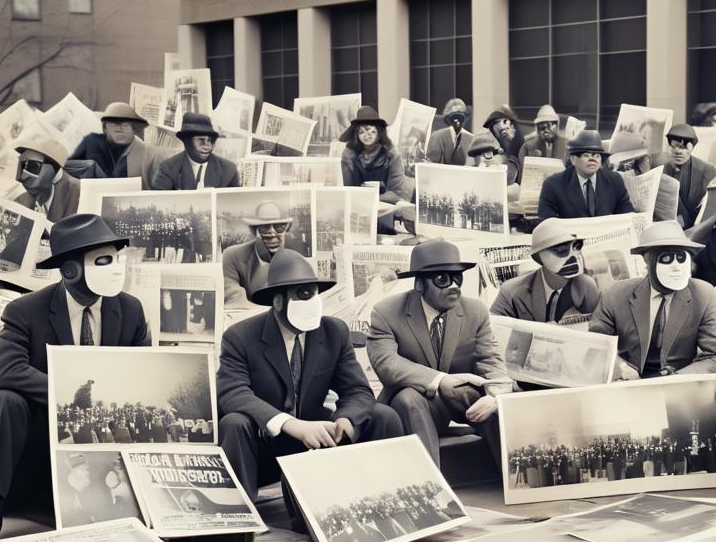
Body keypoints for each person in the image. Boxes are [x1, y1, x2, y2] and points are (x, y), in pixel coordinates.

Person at [0, 214, 150, 542]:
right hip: (38, 431)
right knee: (4, 399)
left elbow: (140, 370)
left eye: (116, 258)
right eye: (103, 260)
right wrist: (70, 397)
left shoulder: (131, 310)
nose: (114, 268)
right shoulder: (26, 310)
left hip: (102, 433)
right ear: (70, 270)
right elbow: (7, 371)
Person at [217, 250, 402, 503]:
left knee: (384, 415)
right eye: (302, 294)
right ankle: (240, 513)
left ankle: (386, 498)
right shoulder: (240, 337)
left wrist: (345, 420)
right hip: (266, 443)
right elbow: (232, 393)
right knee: (234, 422)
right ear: (278, 301)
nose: (312, 301)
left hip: (318, 437)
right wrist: (291, 425)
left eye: (314, 292)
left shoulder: (333, 331)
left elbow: (358, 390)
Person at [367, 240, 511, 469]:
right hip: (416, 407)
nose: (454, 285)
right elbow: (386, 363)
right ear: (420, 285)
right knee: (408, 397)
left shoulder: (475, 311)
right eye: (442, 279)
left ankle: (518, 477)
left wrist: (495, 396)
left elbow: (490, 359)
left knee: (492, 399)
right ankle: (430, 487)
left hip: (462, 400)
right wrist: (441, 380)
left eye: (458, 277)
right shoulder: (386, 312)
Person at [589, 220, 716, 379]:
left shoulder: (703, 294)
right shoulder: (616, 294)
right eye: (666, 258)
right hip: (626, 384)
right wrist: (621, 368)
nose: (676, 266)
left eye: (681, 258)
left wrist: (675, 377)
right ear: (647, 259)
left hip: (677, 387)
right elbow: (595, 347)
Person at [490, 219, 600, 322]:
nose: (573, 256)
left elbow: (600, 328)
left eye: (577, 247)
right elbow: (494, 329)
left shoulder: (587, 286)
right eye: (562, 250)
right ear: (539, 257)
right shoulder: (511, 291)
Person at [339, 106, 413, 233]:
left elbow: (398, 193)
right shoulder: (349, 154)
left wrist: (372, 197)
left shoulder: (392, 154)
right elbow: (347, 189)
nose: (365, 135)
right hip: (357, 211)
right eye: (360, 132)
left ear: (378, 130)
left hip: (388, 213)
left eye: (368, 129)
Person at [537, 130, 634, 219]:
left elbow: (627, 217)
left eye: (597, 155)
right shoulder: (553, 185)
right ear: (573, 160)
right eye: (586, 155)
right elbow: (546, 223)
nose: (593, 159)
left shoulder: (615, 181)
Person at [70, 101, 164, 185]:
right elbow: (67, 167)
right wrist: (89, 167)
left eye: (124, 125)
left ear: (133, 129)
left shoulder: (144, 153)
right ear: (105, 129)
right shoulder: (91, 141)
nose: (118, 130)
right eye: (112, 125)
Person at [222, 200, 294, 309]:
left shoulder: (296, 259)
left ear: (285, 230)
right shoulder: (232, 256)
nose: (272, 234)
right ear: (254, 231)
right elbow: (235, 302)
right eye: (265, 228)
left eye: (279, 227)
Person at [650, 124, 716, 228]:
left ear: (692, 147)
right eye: (674, 146)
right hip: (664, 227)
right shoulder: (657, 167)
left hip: (697, 229)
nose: (678, 151)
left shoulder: (707, 171)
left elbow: (712, 208)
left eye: (684, 147)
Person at [149, 112, 239, 189]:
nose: (207, 146)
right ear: (187, 141)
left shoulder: (229, 170)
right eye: (201, 140)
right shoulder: (167, 169)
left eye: (210, 140)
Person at [12, 133, 80, 223]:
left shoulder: (78, 194)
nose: (22, 177)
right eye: (22, 166)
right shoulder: (23, 200)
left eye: (32, 167)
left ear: (55, 170)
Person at [425, 98, 472, 166]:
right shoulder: (437, 136)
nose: (457, 120)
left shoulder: (471, 138)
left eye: (461, 113)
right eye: (454, 115)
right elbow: (432, 162)